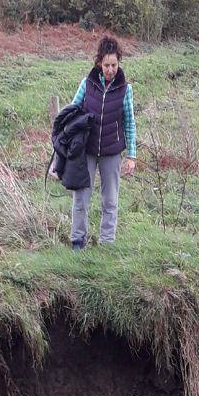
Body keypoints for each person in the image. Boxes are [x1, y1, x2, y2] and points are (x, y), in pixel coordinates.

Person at [68, 35, 137, 248]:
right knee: (81, 199)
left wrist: (132, 155)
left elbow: (130, 123)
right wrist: (65, 141)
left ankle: (107, 244)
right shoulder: (86, 84)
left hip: (111, 152)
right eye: (106, 65)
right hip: (86, 150)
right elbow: (72, 111)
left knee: (110, 201)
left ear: (119, 63)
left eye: (114, 65)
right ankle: (78, 241)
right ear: (99, 64)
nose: (110, 69)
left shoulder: (126, 90)